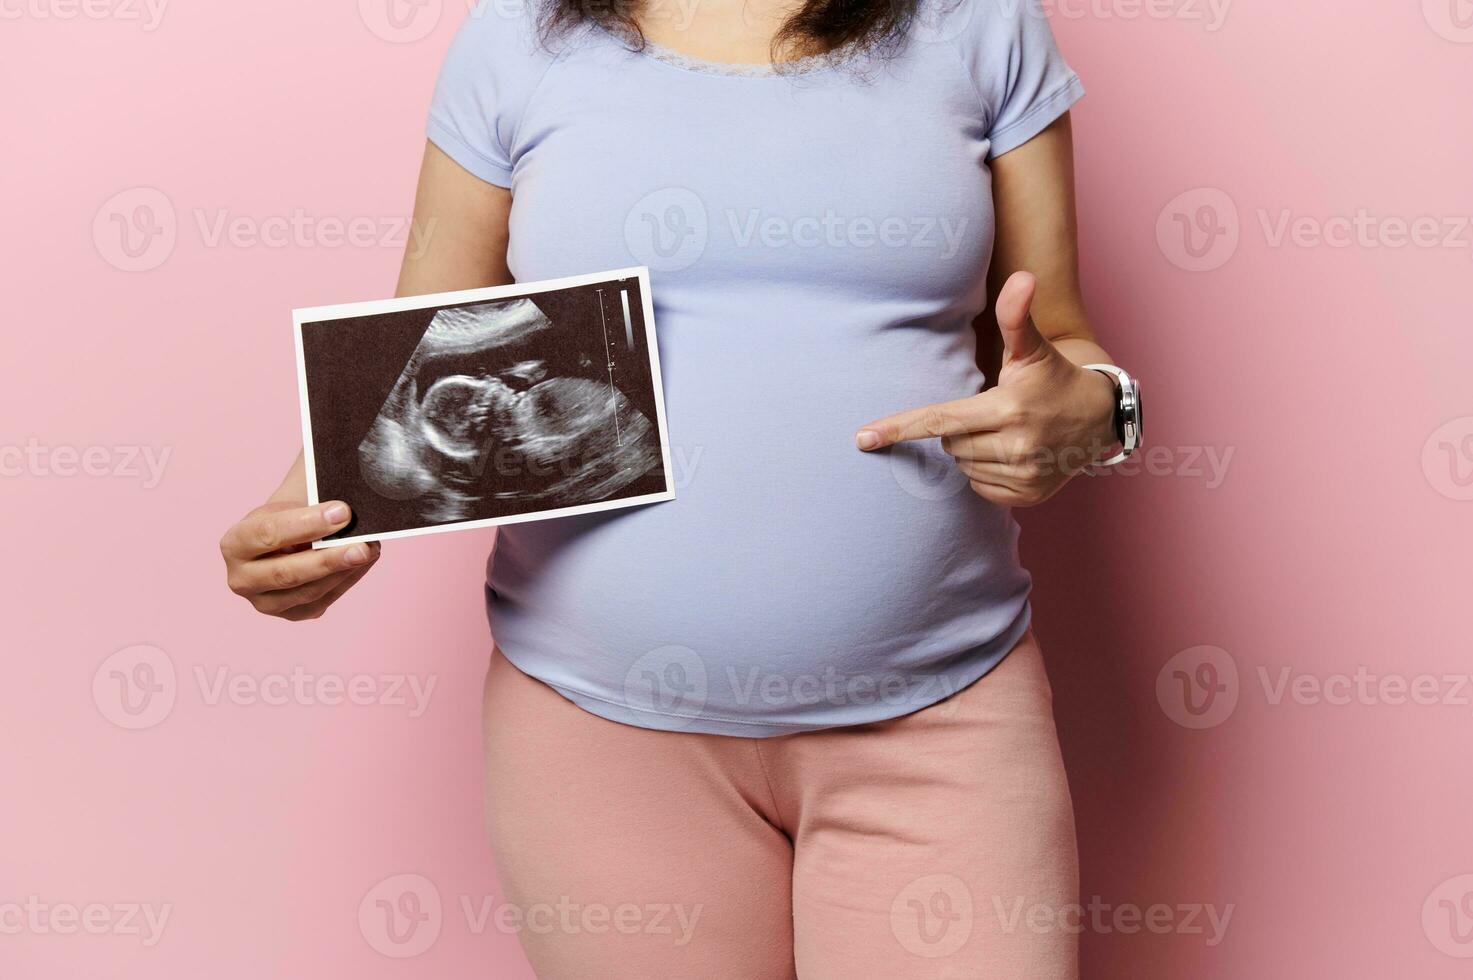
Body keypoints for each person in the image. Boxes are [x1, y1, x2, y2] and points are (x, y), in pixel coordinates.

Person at [220, 0, 1139, 974]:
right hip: (599, 738)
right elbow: (421, 327)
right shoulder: (517, 35)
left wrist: (1100, 410)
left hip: (944, 717)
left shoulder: (982, 22)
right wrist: (300, 514)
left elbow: (1062, 331)